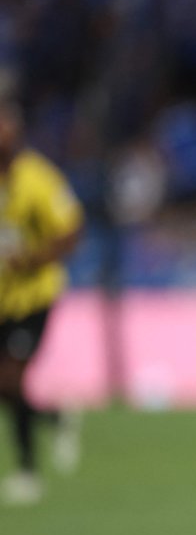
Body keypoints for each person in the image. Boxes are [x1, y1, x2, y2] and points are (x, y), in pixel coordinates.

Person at [0, 99, 84, 506]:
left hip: (33, 296)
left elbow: (70, 231)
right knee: (5, 387)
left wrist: (33, 260)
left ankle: (28, 472)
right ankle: (55, 417)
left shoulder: (38, 179)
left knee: (11, 380)